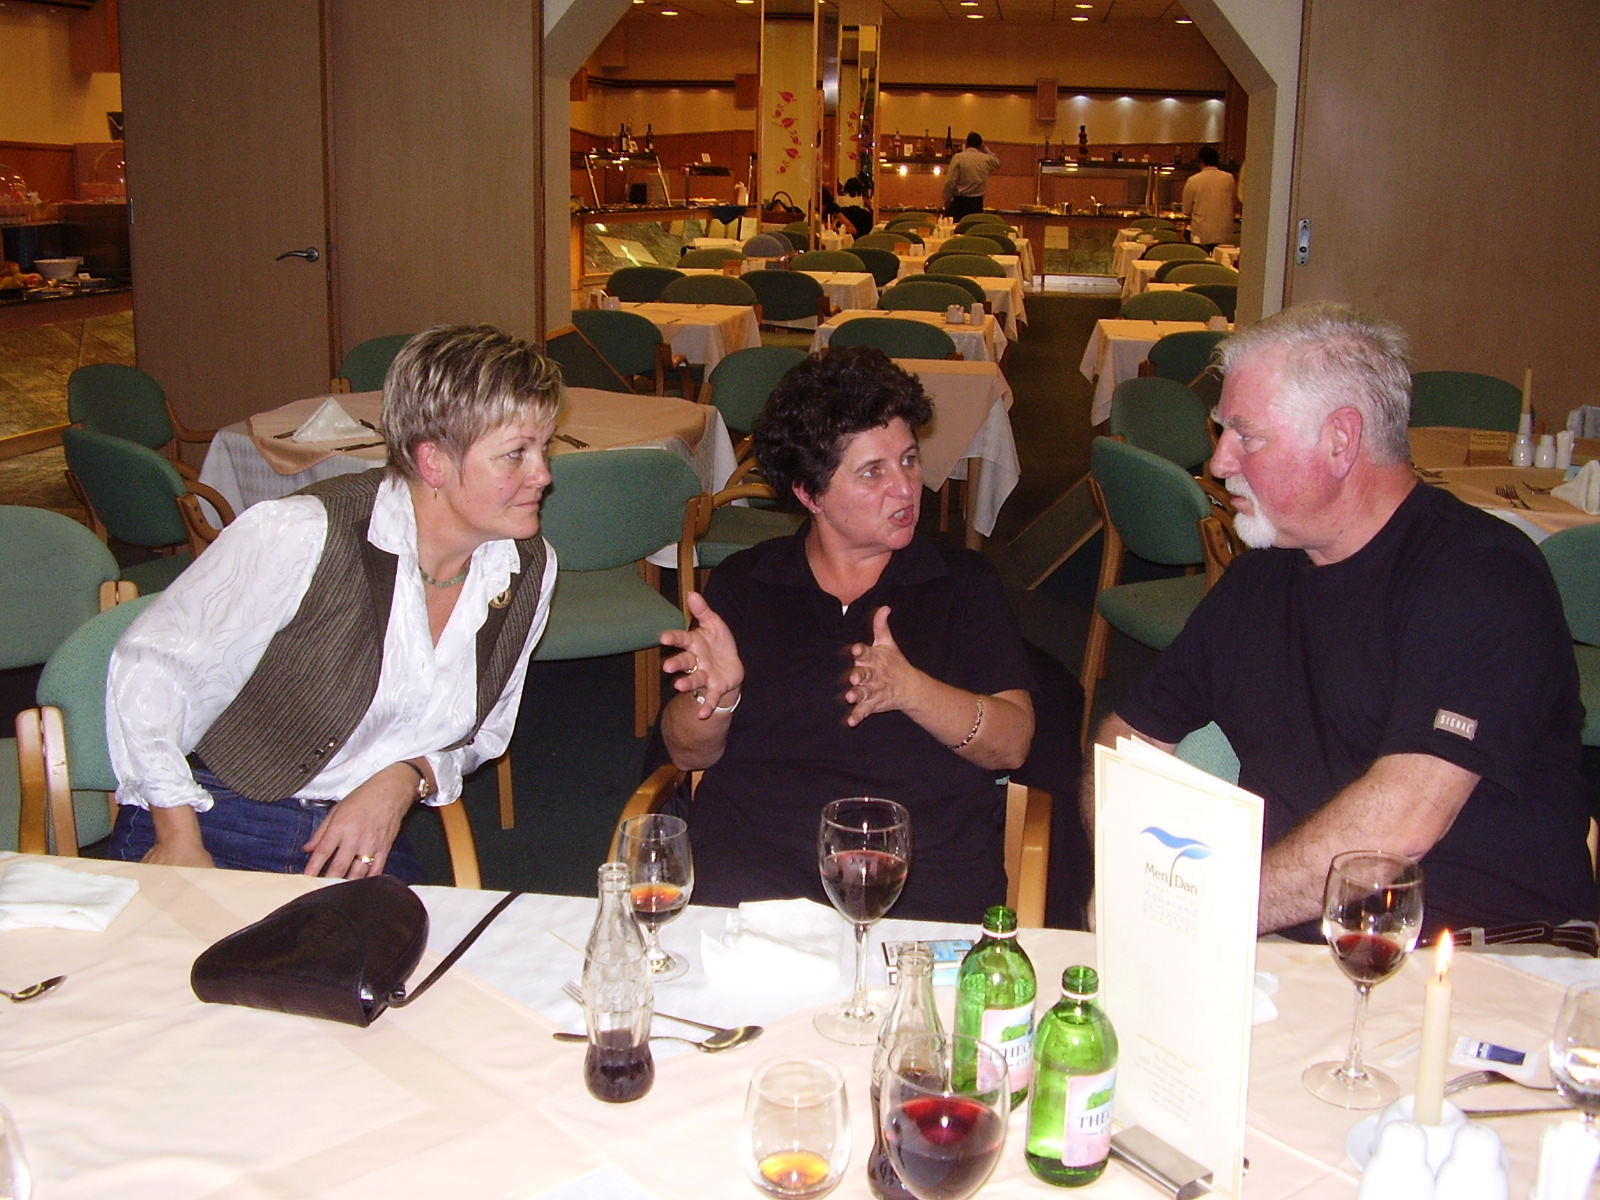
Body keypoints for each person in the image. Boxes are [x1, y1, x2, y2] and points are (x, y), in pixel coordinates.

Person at [1082, 303, 1594, 944]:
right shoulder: (1262, 577)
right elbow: (1127, 741)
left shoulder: (1482, 577)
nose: (1219, 462)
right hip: (1288, 943)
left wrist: (1199, 912)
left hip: (1481, 954)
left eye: (1246, 436)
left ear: (1341, 440)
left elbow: (1397, 830)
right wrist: (1134, 867)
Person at [106, 324, 563, 881]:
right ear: (433, 463)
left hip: (354, 834)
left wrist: (407, 776)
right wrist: (177, 834)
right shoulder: (302, 532)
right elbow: (149, 670)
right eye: (516, 454)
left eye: (544, 447)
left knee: (402, 942)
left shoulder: (526, 567)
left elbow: (485, 731)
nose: (543, 474)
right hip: (216, 812)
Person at [658, 347, 1036, 921]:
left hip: (918, 876)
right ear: (809, 493)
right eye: (872, 472)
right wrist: (719, 696)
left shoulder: (962, 584)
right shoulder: (747, 582)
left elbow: (1013, 743)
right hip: (757, 870)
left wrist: (913, 691)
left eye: (909, 460)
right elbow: (686, 752)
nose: (906, 488)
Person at [1181, 145, 1237, 251]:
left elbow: (1186, 210)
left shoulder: (1193, 180)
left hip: (1201, 235)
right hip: (1225, 235)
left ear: (1201, 161)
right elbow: (1234, 203)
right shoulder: (1229, 178)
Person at [942, 132, 1001, 220]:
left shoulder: (958, 158)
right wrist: (985, 149)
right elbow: (997, 163)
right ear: (980, 145)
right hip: (977, 203)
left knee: (956, 226)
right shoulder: (985, 159)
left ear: (966, 143)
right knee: (973, 226)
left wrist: (947, 199)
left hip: (960, 202)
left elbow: (950, 182)